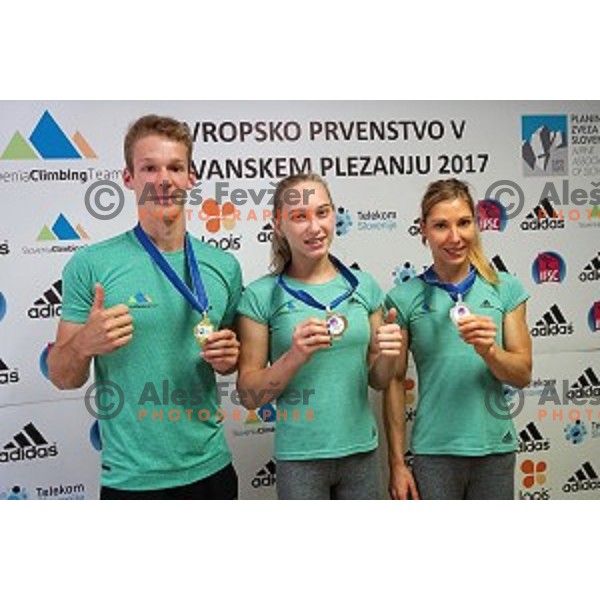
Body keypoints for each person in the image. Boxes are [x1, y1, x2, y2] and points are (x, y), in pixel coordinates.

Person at [47, 115, 243, 500]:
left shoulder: (224, 267)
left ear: (192, 176)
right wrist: (85, 343)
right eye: (149, 168)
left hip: (213, 470)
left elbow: (232, 359)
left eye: (175, 167)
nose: (164, 179)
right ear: (128, 178)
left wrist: (229, 358)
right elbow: (62, 377)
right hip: (132, 482)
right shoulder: (91, 266)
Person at [236, 173, 402, 500]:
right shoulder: (260, 296)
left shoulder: (363, 286)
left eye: (322, 213)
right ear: (278, 224)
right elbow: (249, 397)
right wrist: (294, 356)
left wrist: (387, 353)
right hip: (300, 460)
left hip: (362, 453)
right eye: (300, 217)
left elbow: (380, 381)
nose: (315, 227)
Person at [384, 178, 532, 500]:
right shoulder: (403, 298)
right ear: (422, 229)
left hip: (494, 448)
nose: (455, 237)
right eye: (440, 226)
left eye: (464, 223)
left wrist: (490, 351)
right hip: (434, 451)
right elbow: (394, 381)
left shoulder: (505, 289)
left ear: (476, 224)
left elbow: (522, 374)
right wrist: (397, 463)